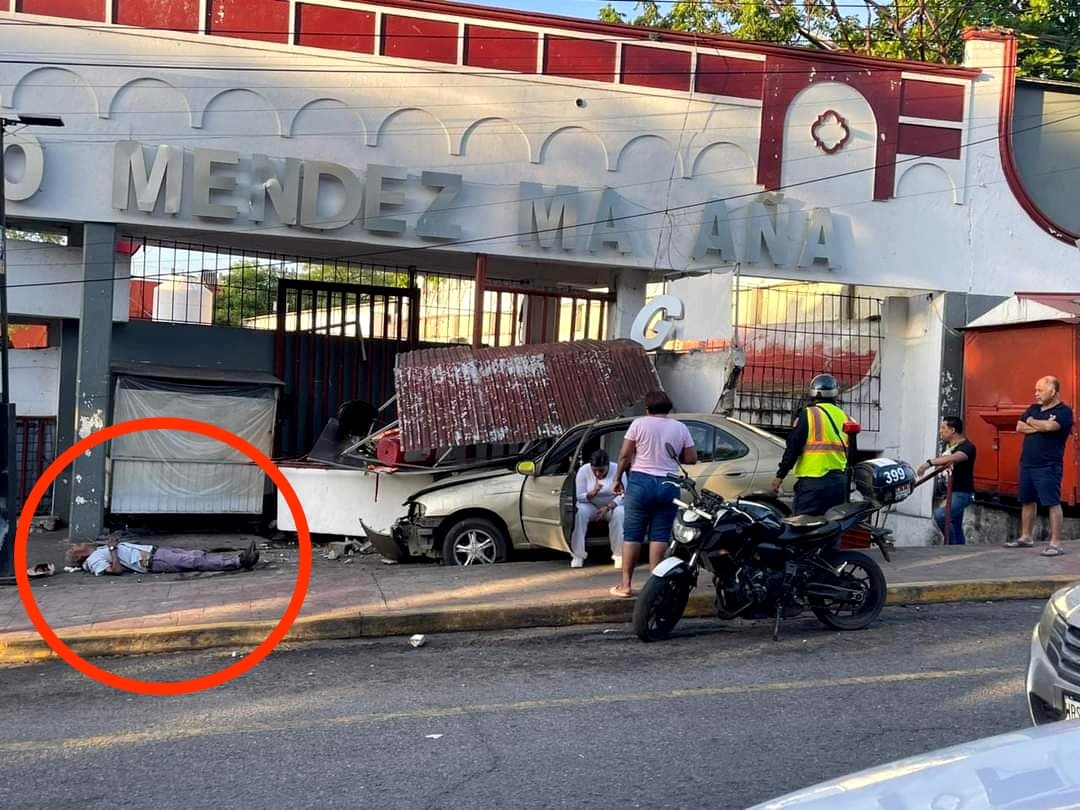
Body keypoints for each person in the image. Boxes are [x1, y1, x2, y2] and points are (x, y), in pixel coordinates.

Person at [610, 391, 697, 598]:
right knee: (660, 535)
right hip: (668, 484)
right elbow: (691, 458)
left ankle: (625, 585)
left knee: (632, 534)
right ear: (668, 408)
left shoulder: (639, 424)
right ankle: (654, 587)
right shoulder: (680, 427)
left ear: (647, 409)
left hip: (641, 482)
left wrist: (617, 479)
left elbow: (624, 455)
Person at [1005, 376, 1073, 556]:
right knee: (1027, 500)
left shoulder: (1064, 411)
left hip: (1048, 465)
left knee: (1052, 502)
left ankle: (1055, 543)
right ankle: (1026, 537)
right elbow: (1019, 426)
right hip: (1027, 462)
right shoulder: (1034, 408)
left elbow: (1051, 427)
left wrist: (1032, 422)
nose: (1036, 394)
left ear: (1053, 391)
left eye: (1040, 390)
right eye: (1036, 390)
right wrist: (1038, 425)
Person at [771, 373, 855, 516]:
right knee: (832, 529)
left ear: (814, 393)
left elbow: (793, 448)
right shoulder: (846, 418)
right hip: (839, 484)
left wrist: (780, 476)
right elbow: (853, 454)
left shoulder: (808, 414)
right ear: (835, 393)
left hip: (813, 484)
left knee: (804, 530)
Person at [917, 416, 976, 545]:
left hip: (962, 493)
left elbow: (956, 457)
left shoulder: (968, 446)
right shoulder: (948, 445)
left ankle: (952, 547)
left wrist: (929, 463)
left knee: (941, 515)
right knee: (955, 524)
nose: (940, 431)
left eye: (943, 428)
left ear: (952, 430)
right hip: (950, 492)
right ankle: (959, 551)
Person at [66, 537, 260, 575]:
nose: (81, 544)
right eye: (78, 546)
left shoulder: (98, 551)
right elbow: (114, 570)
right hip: (150, 561)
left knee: (195, 554)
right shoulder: (93, 561)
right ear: (79, 556)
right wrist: (113, 549)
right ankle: (240, 561)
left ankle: (240, 557)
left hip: (153, 552)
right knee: (193, 561)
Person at [570, 449, 625, 569]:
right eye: (595, 470)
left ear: (608, 466)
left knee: (620, 514)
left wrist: (608, 506)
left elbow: (624, 495)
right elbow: (579, 496)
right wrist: (592, 493)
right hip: (591, 504)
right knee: (579, 512)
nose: (598, 474)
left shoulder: (617, 469)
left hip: (611, 505)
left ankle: (619, 555)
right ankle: (578, 555)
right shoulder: (584, 470)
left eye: (602, 470)